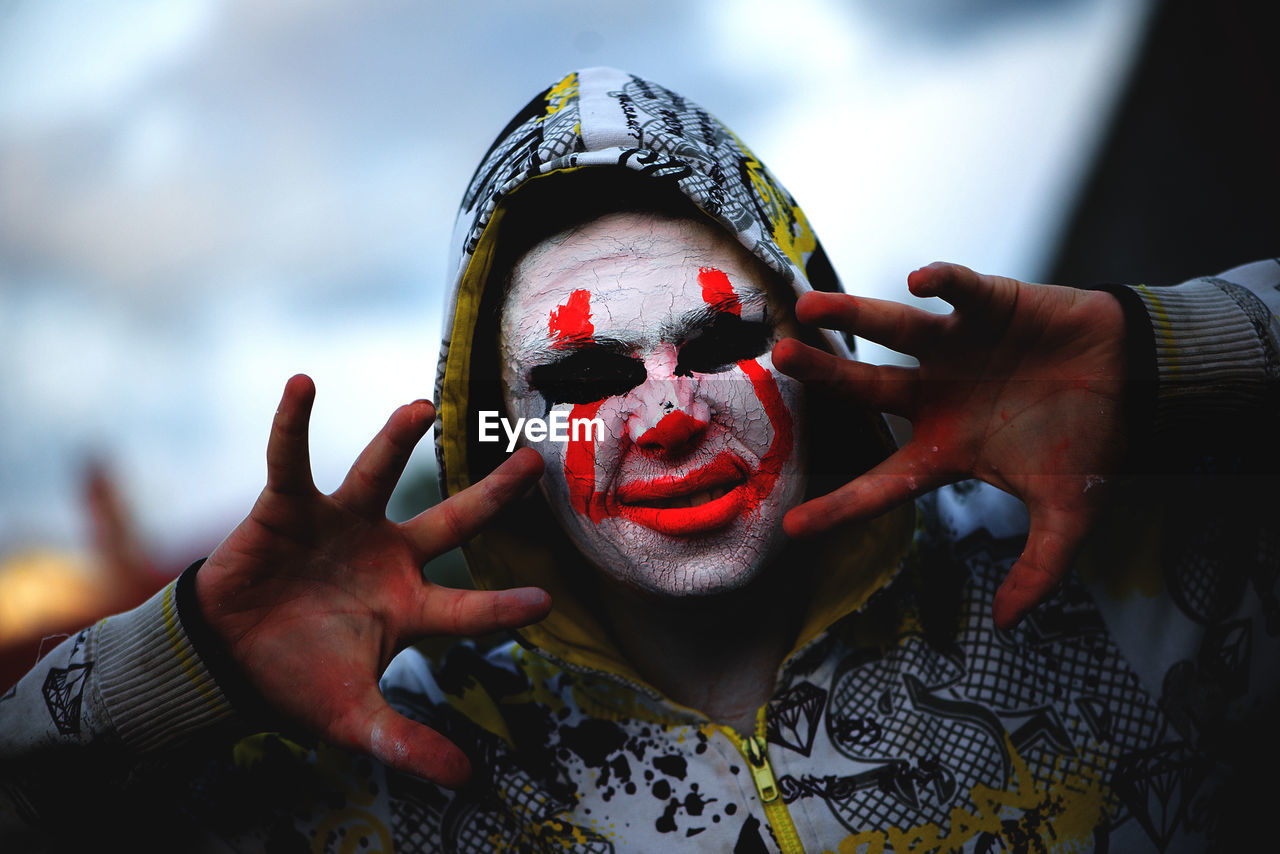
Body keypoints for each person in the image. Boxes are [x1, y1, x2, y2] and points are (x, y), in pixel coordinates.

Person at [2, 66, 1277, 852]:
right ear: (500, 433)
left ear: (809, 344)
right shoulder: (385, 763)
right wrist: (185, 665)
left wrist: (1168, 357)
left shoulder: (1121, 595)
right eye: (584, 378)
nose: (665, 414)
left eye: (718, 340)